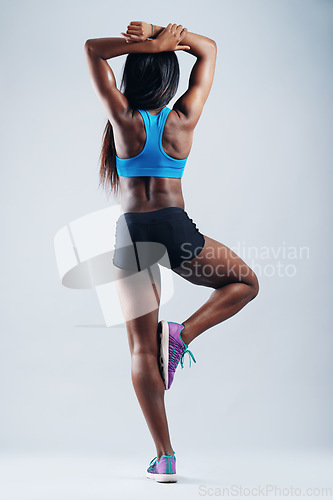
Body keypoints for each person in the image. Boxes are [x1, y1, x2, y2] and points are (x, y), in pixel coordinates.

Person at [84, 21, 259, 483]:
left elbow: (92, 49)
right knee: (245, 283)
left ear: (135, 76)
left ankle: (164, 457)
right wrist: (167, 38)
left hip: (134, 233)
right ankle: (181, 335)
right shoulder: (183, 119)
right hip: (175, 228)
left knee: (142, 349)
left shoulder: (121, 116)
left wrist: (146, 43)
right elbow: (210, 49)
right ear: (168, 80)